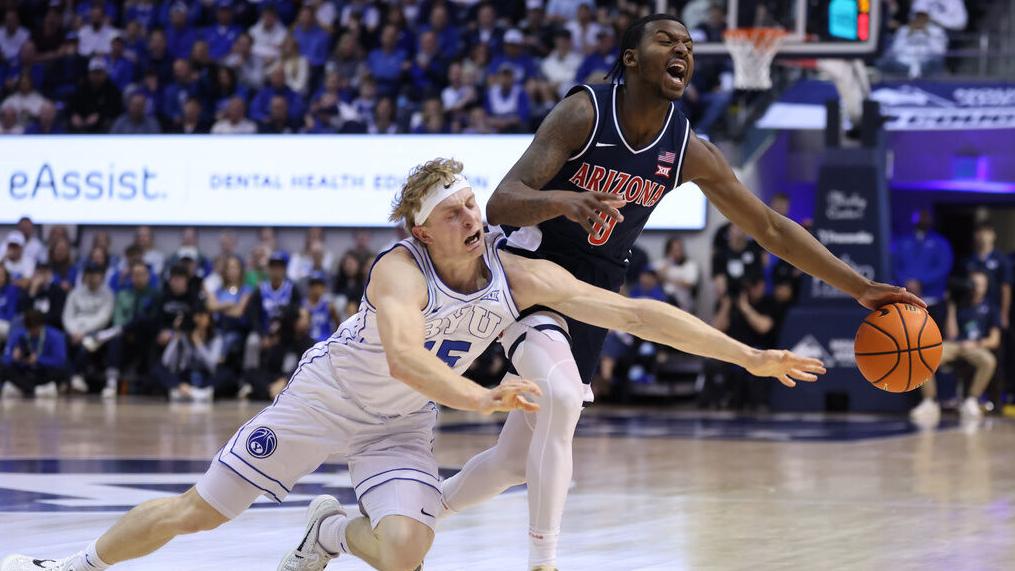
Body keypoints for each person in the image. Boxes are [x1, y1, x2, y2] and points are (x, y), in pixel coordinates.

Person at [1, 158, 825, 571]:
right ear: (422, 229)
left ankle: (331, 529)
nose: (473, 213)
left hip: (399, 426)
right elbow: (402, 356)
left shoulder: (518, 271)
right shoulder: (397, 269)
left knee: (402, 551)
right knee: (198, 514)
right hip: (322, 403)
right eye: (454, 210)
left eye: (473, 201)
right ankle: (78, 564)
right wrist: (484, 393)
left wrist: (747, 352)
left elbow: (633, 312)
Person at [438, 15, 925, 571]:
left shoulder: (688, 148)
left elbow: (769, 228)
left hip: (597, 292)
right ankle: (544, 563)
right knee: (564, 400)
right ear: (630, 58)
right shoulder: (585, 113)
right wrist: (564, 202)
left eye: (689, 44)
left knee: (515, 461)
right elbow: (502, 201)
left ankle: (403, 518)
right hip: (530, 274)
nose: (683, 50)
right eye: (667, 40)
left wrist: (859, 287)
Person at [911, 271, 1001, 424]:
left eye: (980, 285)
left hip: (976, 346)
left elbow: (994, 340)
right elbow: (951, 334)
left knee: (989, 361)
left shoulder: (991, 307)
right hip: (956, 345)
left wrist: (976, 344)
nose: (976, 288)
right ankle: (930, 401)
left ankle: (971, 400)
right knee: (923, 354)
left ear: (986, 287)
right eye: (974, 284)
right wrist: (951, 305)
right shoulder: (960, 303)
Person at [62, 262, 115, 394]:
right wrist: (74, 332)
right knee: (60, 343)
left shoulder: (108, 294)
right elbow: (67, 316)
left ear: (101, 277)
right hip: (73, 331)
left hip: (96, 332)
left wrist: (83, 332)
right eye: (89, 274)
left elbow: (104, 318)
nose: (92, 277)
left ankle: (74, 377)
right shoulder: (75, 293)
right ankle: (66, 378)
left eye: (95, 274)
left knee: (87, 345)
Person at [1, 309, 68, 399]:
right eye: (30, 329)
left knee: (62, 371)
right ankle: (34, 390)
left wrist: (39, 359)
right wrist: (13, 358)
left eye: (35, 329)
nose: (33, 332)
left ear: (42, 325)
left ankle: (26, 389)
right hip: (24, 371)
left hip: (43, 372)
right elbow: (5, 358)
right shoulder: (17, 334)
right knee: (3, 368)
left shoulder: (55, 335)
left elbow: (60, 360)